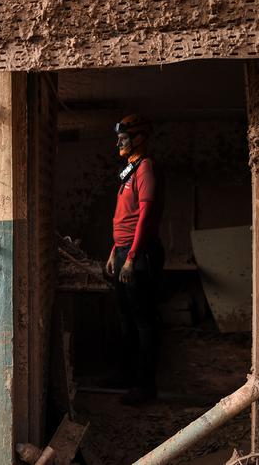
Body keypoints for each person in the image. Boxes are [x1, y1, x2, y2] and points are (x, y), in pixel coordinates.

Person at [104, 114, 165, 405]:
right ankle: (124, 375)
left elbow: (145, 217)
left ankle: (146, 387)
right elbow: (124, 217)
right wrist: (114, 251)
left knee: (143, 321)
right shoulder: (130, 169)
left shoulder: (145, 168)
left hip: (139, 254)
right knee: (125, 317)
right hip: (123, 251)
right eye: (118, 139)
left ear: (139, 139)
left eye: (124, 139)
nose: (119, 143)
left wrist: (131, 257)